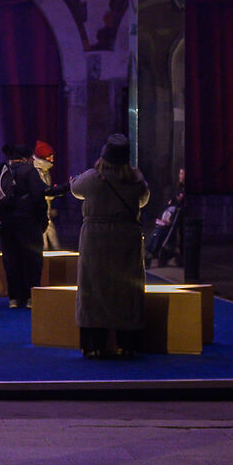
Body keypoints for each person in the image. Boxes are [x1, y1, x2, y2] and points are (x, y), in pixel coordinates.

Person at [72, 133, 151, 358]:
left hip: (95, 237)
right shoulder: (136, 180)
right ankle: (127, 343)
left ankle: (93, 344)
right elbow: (143, 200)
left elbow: (75, 190)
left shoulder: (92, 178)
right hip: (127, 236)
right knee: (127, 288)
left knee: (92, 288)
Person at [0, 142, 60, 310]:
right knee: (32, 260)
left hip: (7, 223)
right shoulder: (29, 171)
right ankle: (31, 297)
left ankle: (14, 298)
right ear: (26, 157)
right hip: (28, 222)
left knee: (11, 260)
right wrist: (42, 220)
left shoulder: (4, 170)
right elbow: (39, 196)